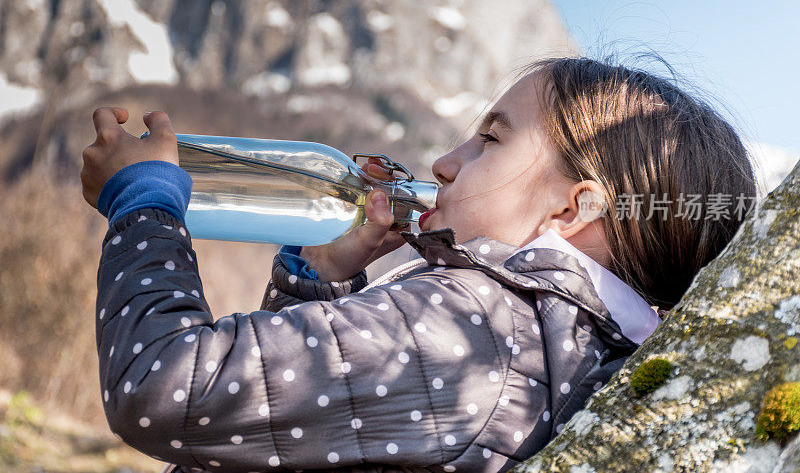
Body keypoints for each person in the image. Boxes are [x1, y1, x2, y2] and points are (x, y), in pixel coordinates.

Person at [81, 56, 757, 472]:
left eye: (489, 138)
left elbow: (163, 386)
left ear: (570, 208)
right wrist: (317, 277)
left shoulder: (477, 325)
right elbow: (285, 432)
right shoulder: (564, 351)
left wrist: (144, 202)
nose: (444, 162)